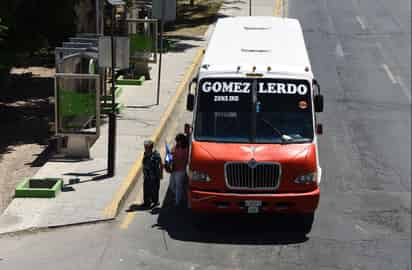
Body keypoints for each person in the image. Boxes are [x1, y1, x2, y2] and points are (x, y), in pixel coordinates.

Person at [169, 133, 189, 207]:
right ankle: (180, 196)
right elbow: (171, 154)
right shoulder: (175, 147)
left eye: (178, 141)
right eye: (176, 141)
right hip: (174, 169)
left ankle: (177, 202)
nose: (177, 142)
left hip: (180, 170)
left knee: (178, 186)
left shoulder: (185, 149)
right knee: (172, 185)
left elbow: (185, 160)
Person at [142, 140, 163, 208]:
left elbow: (160, 165)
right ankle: (147, 202)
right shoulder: (145, 153)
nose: (145, 148)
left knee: (154, 190)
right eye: (145, 147)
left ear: (150, 148)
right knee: (146, 189)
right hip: (147, 175)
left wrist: (160, 174)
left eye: (146, 147)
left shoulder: (156, 155)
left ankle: (155, 202)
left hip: (154, 176)